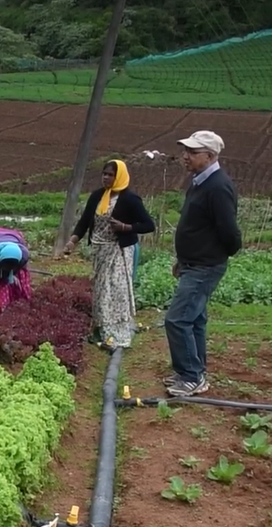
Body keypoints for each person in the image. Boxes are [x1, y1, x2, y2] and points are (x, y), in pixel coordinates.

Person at [163, 130, 241, 397]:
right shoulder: (199, 181)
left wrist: (212, 257)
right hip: (193, 263)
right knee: (195, 319)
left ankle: (191, 377)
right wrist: (183, 259)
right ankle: (194, 371)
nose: (185, 156)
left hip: (204, 267)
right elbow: (198, 226)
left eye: (192, 153)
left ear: (209, 156)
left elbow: (229, 232)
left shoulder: (218, 187)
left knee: (177, 319)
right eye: (186, 151)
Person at [65, 159, 156, 348]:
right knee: (101, 290)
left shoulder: (130, 199)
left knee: (116, 289)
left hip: (119, 250)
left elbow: (148, 225)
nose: (106, 178)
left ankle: (118, 331)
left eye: (110, 174)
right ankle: (101, 329)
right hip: (100, 251)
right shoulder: (98, 196)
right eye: (104, 174)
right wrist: (73, 241)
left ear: (119, 176)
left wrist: (126, 227)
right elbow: (84, 222)